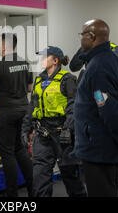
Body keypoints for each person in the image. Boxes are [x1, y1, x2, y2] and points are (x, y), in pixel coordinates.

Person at [72, 19, 118, 197]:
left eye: (82, 35)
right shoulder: (115, 60)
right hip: (107, 147)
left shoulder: (97, 68)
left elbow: (107, 108)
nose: (80, 40)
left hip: (99, 150)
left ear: (92, 37)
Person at [21, 46, 86, 197]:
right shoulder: (39, 80)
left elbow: (74, 106)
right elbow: (32, 107)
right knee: (40, 179)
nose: (41, 60)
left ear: (55, 60)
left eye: (45, 57)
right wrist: (25, 129)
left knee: (71, 178)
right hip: (42, 136)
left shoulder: (67, 79)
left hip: (63, 136)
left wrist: (68, 129)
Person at [0, 33, 33, 197]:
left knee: (7, 154)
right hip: (23, 112)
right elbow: (29, 88)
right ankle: (34, 190)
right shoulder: (25, 63)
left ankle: (12, 195)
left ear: (4, 46)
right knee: (20, 150)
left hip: (6, 114)